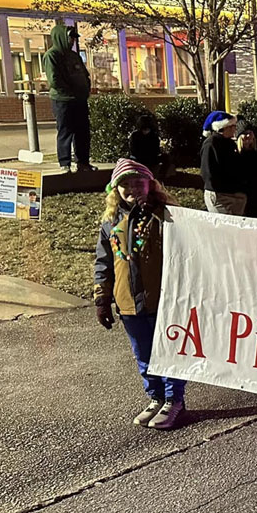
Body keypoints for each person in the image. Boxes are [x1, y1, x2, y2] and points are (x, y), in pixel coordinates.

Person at [94, 159, 188, 429]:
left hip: (162, 300)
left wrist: (158, 214)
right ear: (115, 189)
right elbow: (104, 263)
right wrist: (102, 299)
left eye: (138, 182)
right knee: (144, 354)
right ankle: (156, 397)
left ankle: (174, 401)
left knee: (167, 352)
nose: (132, 188)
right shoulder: (111, 221)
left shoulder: (166, 214)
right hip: (128, 303)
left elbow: (185, 243)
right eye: (125, 184)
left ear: (151, 184)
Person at [43, 24, 93, 172]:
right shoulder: (52, 55)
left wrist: (85, 89)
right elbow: (54, 80)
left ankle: (83, 162)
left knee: (82, 131)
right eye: (70, 37)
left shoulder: (74, 56)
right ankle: (65, 163)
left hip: (80, 100)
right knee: (65, 131)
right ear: (61, 37)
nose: (72, 41)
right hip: (63, 101)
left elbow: (85, 75)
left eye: (73, 38)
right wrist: (70, 92)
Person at [200, 110, 246, 215]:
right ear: (224, 127)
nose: (235, 129)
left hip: (234, 194)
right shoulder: (211, 144)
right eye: (233, 126)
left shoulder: (229, 143)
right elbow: (208, 172)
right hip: (220, 195)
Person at [236, 121, 257, 219]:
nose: (248, 135)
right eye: (245, 133)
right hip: (242, 197)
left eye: (250, 132)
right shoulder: (236, 155)